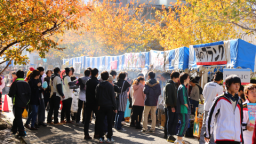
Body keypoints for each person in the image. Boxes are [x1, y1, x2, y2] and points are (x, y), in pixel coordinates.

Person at [204, 75, 243, 144]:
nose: (237, 86)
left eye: (238, 84)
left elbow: (240, 120)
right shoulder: (220, 99)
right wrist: (208, 134)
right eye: (234, 84)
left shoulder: (239, 101)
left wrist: (241, 139)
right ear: (227, 85)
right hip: (222, 137)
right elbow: (211, 116)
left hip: (236, 138)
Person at [199, 72, 224, 144]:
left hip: (206, 107)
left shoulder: (207, 84)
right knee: (213, 125)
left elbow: (203, 95)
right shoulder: (219, 87)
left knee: (204, 124)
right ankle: (211, 142)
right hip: (215, 108)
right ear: (221, 79)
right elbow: (220, 99)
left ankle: (201, 142)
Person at [96, 71, 117, 143]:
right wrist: (115, 107)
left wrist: (98, 105)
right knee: (109, 122)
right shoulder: (110, 86)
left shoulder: (98, 86)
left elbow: (97, 97)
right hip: (109, 106)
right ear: (108, 77)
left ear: (101, 77)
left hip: (101, 106)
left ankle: (101, 137)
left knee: (101, 122)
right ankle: (109, 137)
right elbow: (112, 97)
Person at [9, 70, 31, 137]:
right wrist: (26, 101)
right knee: (17, 116)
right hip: (25, 103)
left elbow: (11, 94)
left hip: (17, 103)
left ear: (17, 75)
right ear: (23, 75)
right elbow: (30, 94)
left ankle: (22, 132)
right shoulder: (26, 83)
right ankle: (14, 129)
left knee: (18, 117)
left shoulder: (15, 83)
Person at [84, 68, 100, 139]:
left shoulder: (88, 81)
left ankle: (86, 134)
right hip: (95, 102)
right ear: (97, 74)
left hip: (88, 101)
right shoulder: (97, 82)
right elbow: (98, 94)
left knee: (87, 119)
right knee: (97, 118)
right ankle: (96, 133)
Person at [164, 71, 180, 142]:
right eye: (177, 78)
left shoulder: (173, 84)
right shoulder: (169, 85)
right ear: (174, 77)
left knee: (172, 120)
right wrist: (172, 106)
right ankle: (169, 135)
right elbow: (169, 97)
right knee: (170, 120)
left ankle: (170, 135)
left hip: (173, 105)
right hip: (171, 106)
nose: (178, 79)